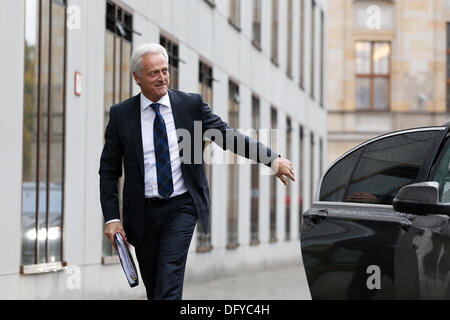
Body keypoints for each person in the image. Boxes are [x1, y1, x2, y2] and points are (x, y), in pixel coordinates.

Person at [99, 43, 295, 300]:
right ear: (137, 77)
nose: (162, 78)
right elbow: (109, 170)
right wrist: (112, 219)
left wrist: (271, 159)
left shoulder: (190, 105)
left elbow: (226, 136)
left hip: (181, 206)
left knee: (169, 279)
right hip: (142, 215)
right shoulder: (121, 115)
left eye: (165, 71)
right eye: (153, 73)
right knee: (155, 287)